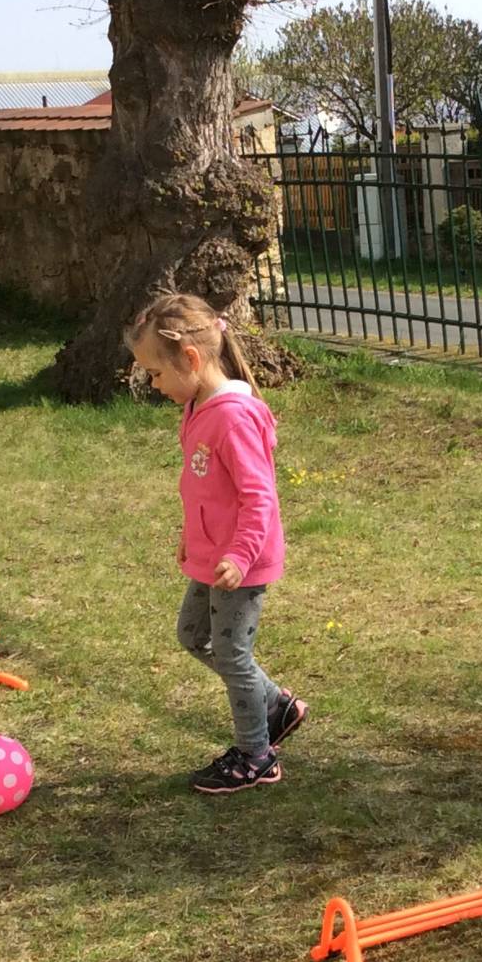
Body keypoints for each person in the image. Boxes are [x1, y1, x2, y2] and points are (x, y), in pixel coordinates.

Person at [125, 294, 307, 794]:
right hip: (213, 555)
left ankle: (256, 757)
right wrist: (191, 535)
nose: (153, 384)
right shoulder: (196, 407)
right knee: (192, 635)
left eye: (155, 373)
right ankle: (277, 705)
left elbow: (258, 496)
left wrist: (239, 555)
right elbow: (201, 487)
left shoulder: (232, 417)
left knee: (231, 654)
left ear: (190, 358)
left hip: (240, 563)